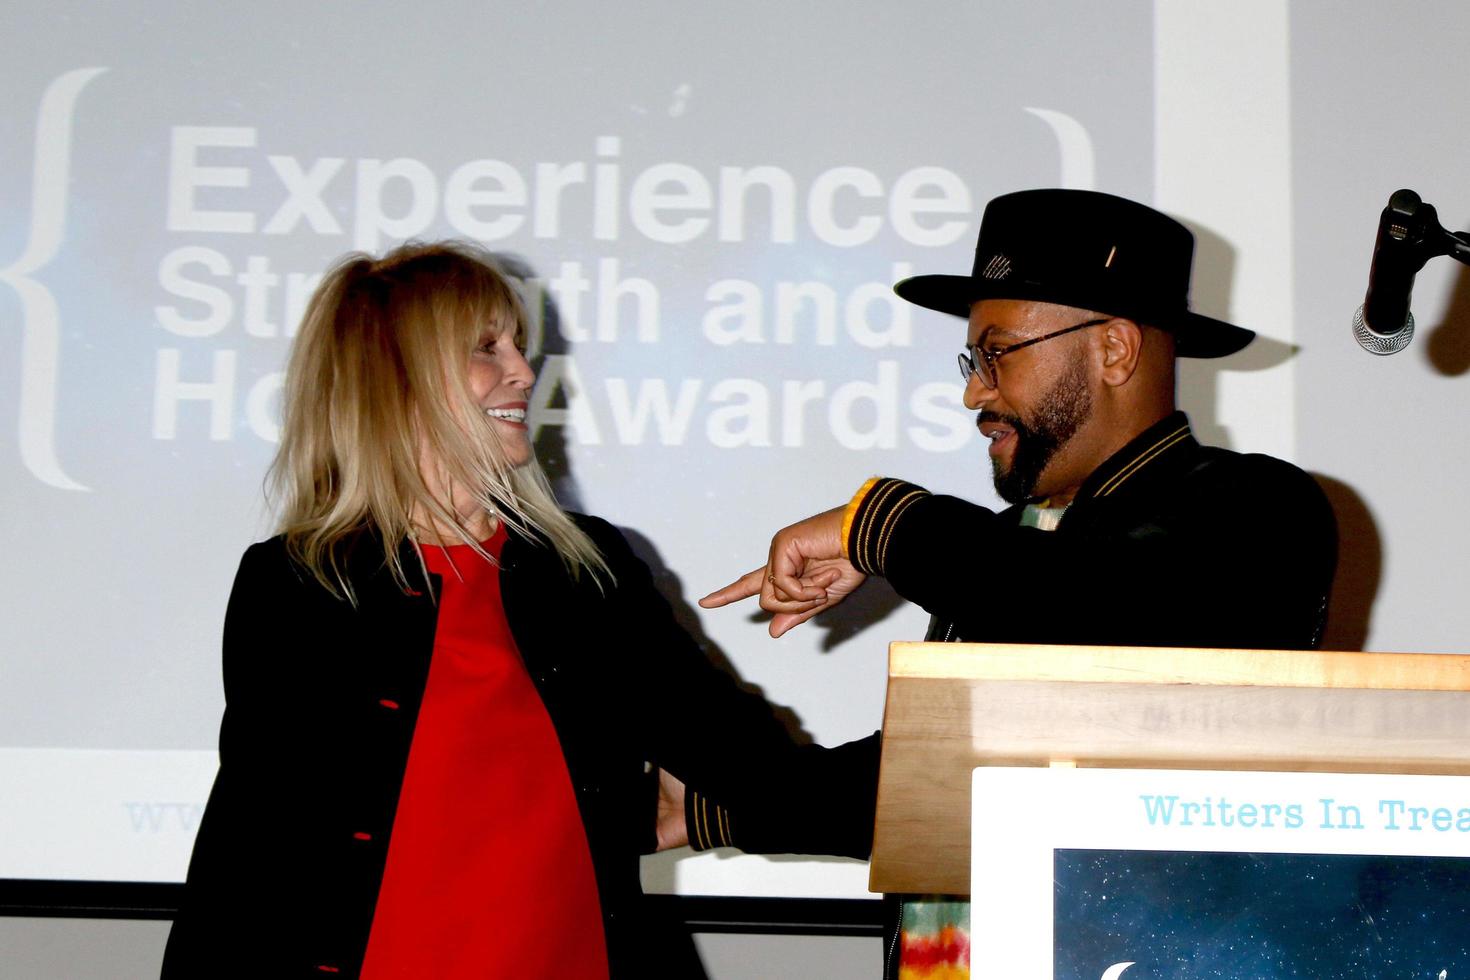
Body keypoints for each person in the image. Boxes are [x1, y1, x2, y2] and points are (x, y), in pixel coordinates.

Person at [160, 241, 878, 979]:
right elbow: (251, 853)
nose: (525, 373)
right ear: (393, 376)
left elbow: (757, 770)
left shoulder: (583, 568)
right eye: (486, 348)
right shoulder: (299, 584)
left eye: (519, 347)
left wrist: (966, 767)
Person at [700, 189, 1339, 979]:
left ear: (1114, 350)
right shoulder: (1009, 554)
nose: (975, 392)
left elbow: (1103, 614)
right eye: (973, 361)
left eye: (997, 354)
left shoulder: (1258, 508)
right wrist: (712, 803)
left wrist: (885, 523)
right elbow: (932, 783)